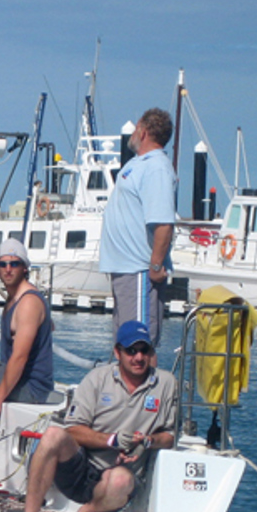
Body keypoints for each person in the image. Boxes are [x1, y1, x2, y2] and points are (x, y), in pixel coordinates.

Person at [7, 320, 177, 512]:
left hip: (118, 477)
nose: (138, 357)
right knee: (52, 436)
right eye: (131, 351)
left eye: (144, 350)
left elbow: (169, 437)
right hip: (82, 468)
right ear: (117, 352)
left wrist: (147, 442)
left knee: (121, 479)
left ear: (151, 352)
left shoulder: (167, 384)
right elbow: (74, 430)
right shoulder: (97, 379)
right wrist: (113, 440)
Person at [99, 107, 177, 350]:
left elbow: (164, 223)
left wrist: (155, 266)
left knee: (139, 346)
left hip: (139, 271)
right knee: (124, 344)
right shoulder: (139, 164)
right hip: (124, 270)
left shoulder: (156, 168)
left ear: (143, 131)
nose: (133, 132)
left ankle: (144, 389)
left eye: (136, 128)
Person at [0, 238, 54, 430]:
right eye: (3, 264)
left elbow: (19, 358)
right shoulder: (15, 300)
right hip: (19, 380)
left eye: (15, 263)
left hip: (31, 388)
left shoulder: (28, 303)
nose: (8, 269)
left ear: (25, 268)